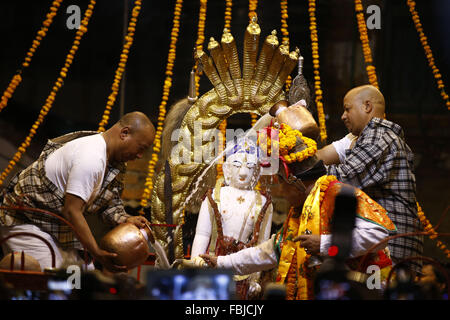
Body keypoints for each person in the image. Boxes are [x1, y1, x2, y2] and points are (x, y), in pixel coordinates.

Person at [200, 120, 396, 300]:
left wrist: (324, 244)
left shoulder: (335, 193)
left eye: (282, 183)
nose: (280, 192)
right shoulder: (299, 213)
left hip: (365, 290)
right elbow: (269, 252)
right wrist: (221, 262)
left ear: (297, 183)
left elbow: (380, 233)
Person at [0, 111, 155, 272]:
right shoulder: (91, 158)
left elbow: (108, 203)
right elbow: (71, 211)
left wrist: (126, 219)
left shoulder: (113, 160)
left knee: (82, 280)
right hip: (28, 221)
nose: (139, 155)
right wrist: (96, 252)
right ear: (125, 133)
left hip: (60, 228)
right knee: (56, 283)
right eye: (141, 148)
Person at [315, 85, 423, 273]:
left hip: (390, 250)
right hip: (388, 246)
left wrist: (295, 166)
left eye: (347, 109)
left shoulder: (378, 135)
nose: (343, 116)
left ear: (367, 106)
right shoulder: (368, 137)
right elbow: (321, 157)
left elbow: (342, 178)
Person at [190, 137, 273, 299]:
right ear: (227, 168)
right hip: (212, 263)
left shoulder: (263, 202)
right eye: (237, 165)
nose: (243, 172)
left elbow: (262, 244)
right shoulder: (215, 195)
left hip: (244, 270)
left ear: (256, 170)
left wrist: (256, 278)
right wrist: (195, 265)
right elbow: (202, 235)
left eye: (249, 166)